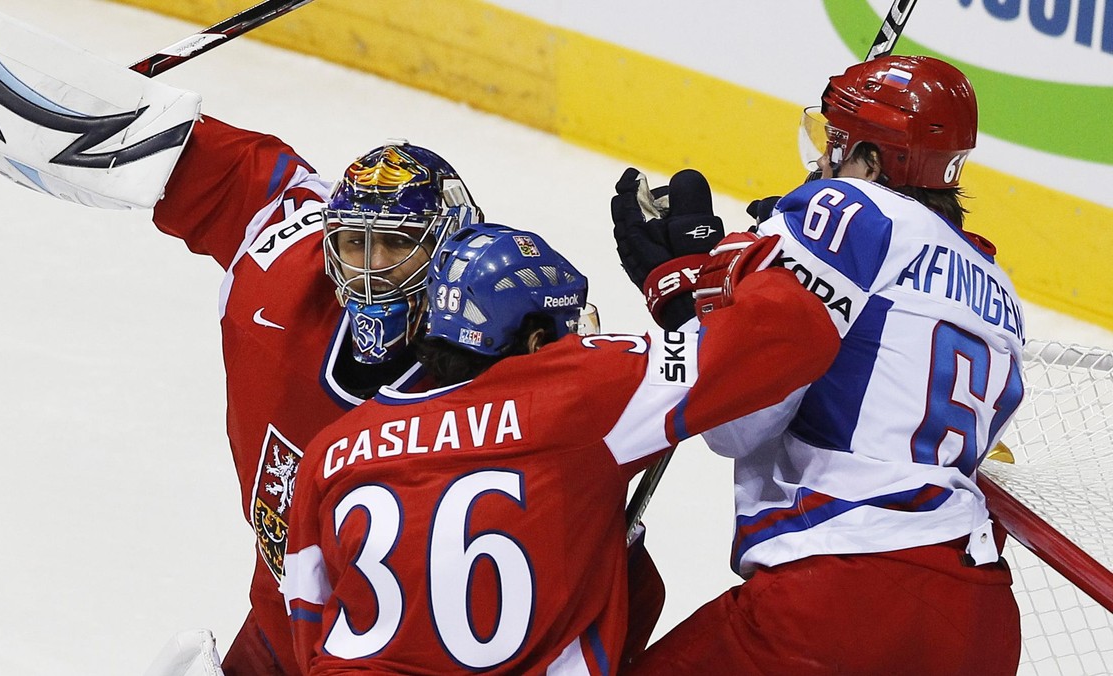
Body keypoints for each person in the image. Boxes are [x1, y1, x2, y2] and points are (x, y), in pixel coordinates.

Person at [0, 11, 480, 676]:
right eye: (354, 245)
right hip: (285, 626)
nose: (369, 270)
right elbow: (177, 156)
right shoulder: (284, 270)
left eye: (396, 247)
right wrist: (22, 110)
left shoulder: (517, 362)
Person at [614, 55, 1026, 675]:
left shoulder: (845, 209)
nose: (822, 161)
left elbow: (735, 424)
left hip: (844, 599)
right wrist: (744, 278)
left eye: (837, 143)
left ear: (875, 161)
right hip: (978, 622)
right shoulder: (999, 290)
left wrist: (689, 302)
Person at [280, 221, 838, 673]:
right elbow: (790, 336)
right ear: (537, 341)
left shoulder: (333, 447)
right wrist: (735, 264)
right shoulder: (578, 393)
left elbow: (306, 620)